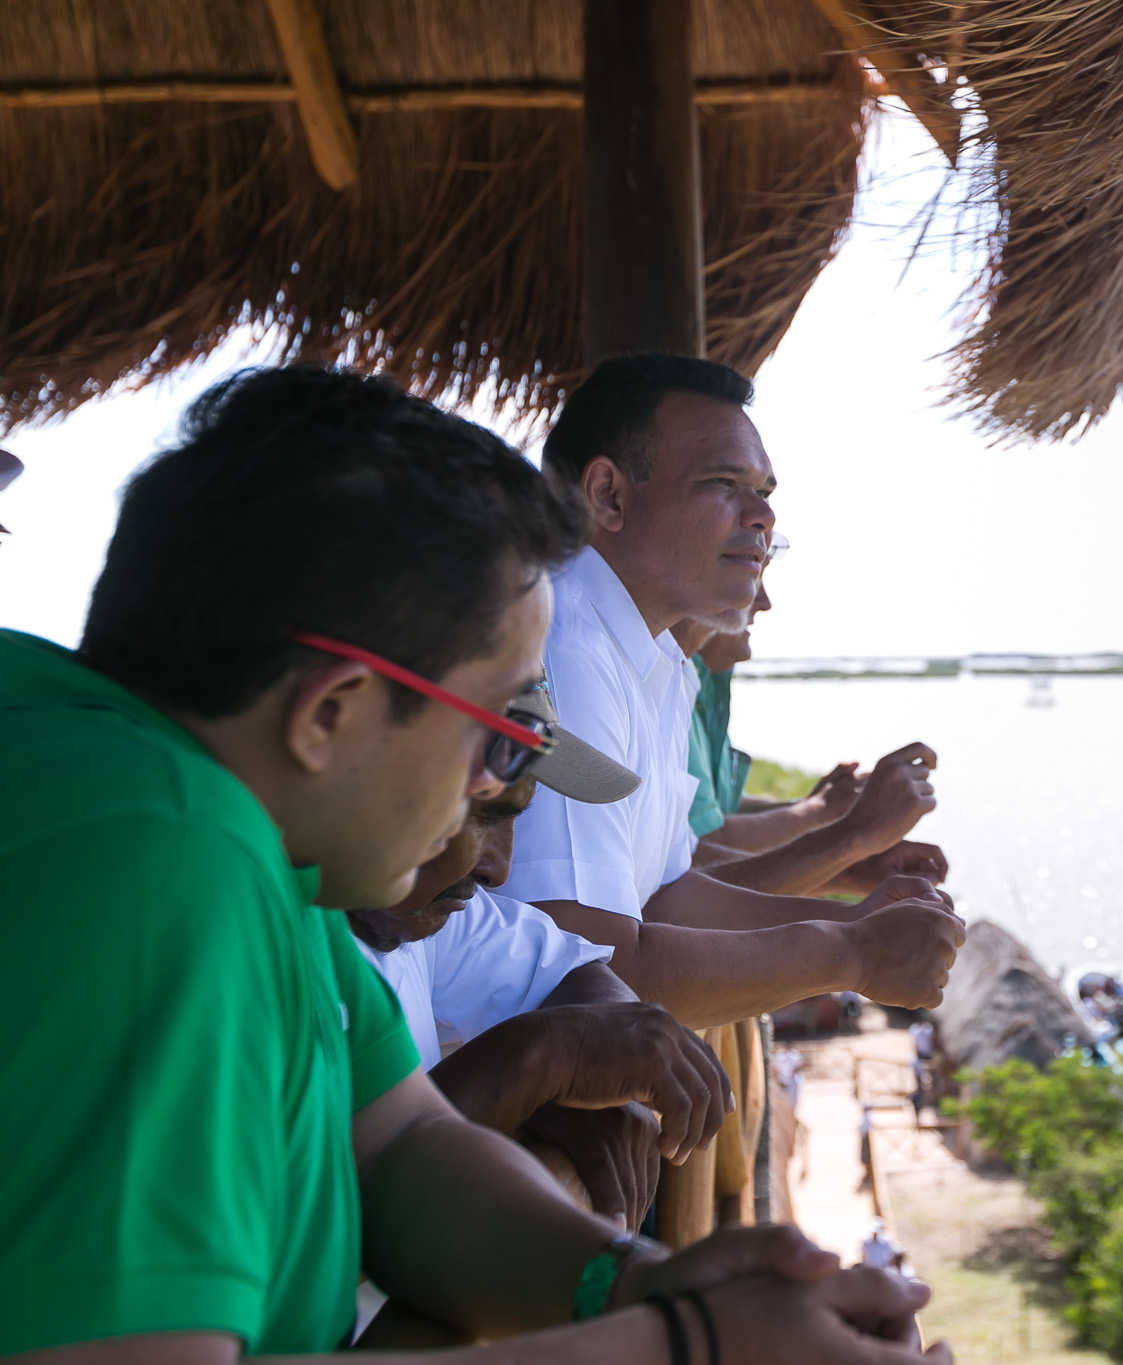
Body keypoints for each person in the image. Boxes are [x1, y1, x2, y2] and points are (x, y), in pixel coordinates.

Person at [0, 367, 945, 1362]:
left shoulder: (267, 841)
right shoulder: (156, 860)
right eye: (499, 742)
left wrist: (636, 1279)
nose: (497, 804)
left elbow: (399, 1146)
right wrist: (687, 1343)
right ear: (331, 714)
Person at [504, 354, 965, 1026]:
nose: (761, 518)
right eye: (724, 483)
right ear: (608, 495)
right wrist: (851, 951)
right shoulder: (568, 651)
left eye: (767, 493)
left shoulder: (656, 660)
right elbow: (592, 968)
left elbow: (665, 897)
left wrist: (866, 919)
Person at [350, 761, 726, 1229]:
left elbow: (571, 972)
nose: (500, 868)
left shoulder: (413, 903)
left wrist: (579, 1071)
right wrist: (538, 1062)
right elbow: (324, 1206)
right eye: (480, 809)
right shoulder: (253, 938)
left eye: (514, 817)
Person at [684, 578, 948, 896]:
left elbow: (708, 811)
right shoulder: (670, 688)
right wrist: (829, 821)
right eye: (749, 572)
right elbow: (700, 847)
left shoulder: (703, 681)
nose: (764, 602)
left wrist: (825, 823)